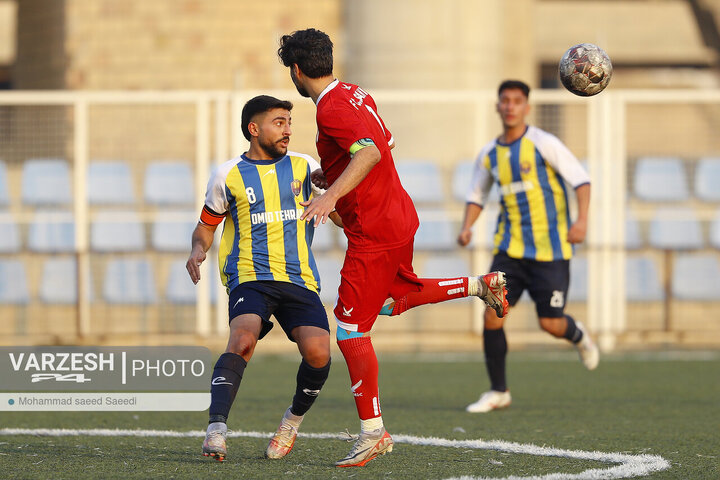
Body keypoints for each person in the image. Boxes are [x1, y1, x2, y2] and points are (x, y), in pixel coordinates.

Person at [277, 28, 508, 468]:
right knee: (387, 300)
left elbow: (369, 154)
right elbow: (385, 142)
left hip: (375, 229)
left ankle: (372, 433)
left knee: (348, 329)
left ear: (297, 70)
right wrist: (336, 174)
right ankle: (481, 285)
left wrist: (329, 196)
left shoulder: (330, 109)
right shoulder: (354, 92)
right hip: (399, 215)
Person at [187, 95, 332, 462]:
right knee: (243, 338)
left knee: (318, 354)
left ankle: (291, 422)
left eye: (289, 122)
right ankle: (216, 429)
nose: (288, 130)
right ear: (255, 129)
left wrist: (333, 195)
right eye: (279, 122)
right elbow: (206, 226)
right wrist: (197, 250)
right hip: (250, 275)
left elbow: (339, 215)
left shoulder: (305, 167)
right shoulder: (228, 174)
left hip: (299, 277)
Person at [457, 80, 599, 414]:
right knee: (493, 316)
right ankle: (498, 391)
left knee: (550, 323)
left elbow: (581, 180)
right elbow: (476, 196)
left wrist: (582, 222)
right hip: (509, 251)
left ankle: (579, 336)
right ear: (497, 106)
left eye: (516, 101)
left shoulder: (543, 143)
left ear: (526, 107)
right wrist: (467, 227)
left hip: (550, 251)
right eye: (504, 100)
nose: (510, 106)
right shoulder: (489, 154)